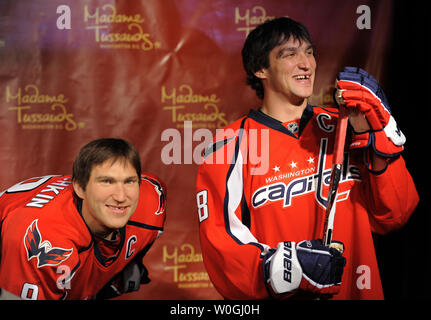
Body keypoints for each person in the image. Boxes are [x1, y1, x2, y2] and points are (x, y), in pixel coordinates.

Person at [196, 17, 419, 299]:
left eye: (310, 52)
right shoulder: (229, 145)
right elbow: (222, 246)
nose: (306, 64)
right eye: (290, 54)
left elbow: (395, 215)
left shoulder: (346, 126)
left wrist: (379, 144)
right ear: (260, 69)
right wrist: (288, 267)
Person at [0, 138, 166, 300]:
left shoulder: (152, 199)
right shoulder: (46, 240)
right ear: (80, 187)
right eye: (107, 182)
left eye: (129, 181)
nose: (121, 196)